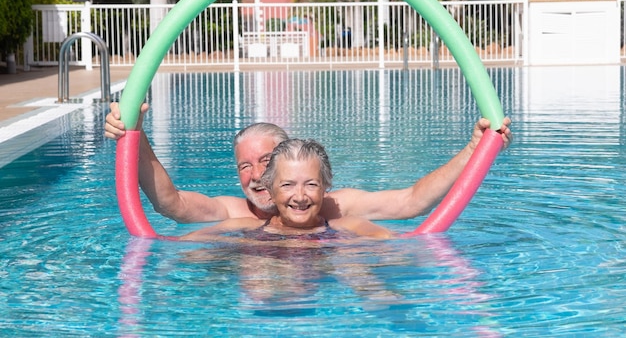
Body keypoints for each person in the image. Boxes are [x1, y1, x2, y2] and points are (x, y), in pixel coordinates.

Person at [104, 102, 512, 223]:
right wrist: (134, 136)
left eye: (265, 161)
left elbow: (411, 203)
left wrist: (474, 149)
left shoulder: (336, 206)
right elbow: (170, 203)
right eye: (244, 166)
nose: (255, 175)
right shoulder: (232, 213)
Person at [180, 138, 395, 242]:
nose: (300, 197)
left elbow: (385, 239)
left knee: (353, 267)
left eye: (311, 184)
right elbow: (185, 246)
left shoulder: (346, 227)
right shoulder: (244, 229)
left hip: (326, 278)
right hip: (266, 290)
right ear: (270, 190)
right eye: (287, 185)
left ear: (325, 188)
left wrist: (346, 250)